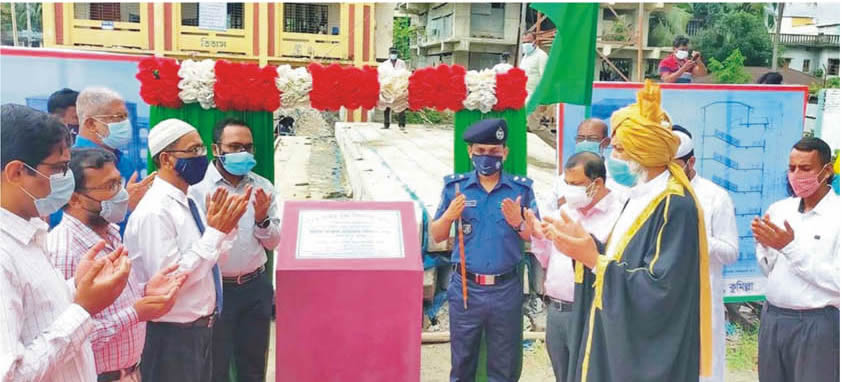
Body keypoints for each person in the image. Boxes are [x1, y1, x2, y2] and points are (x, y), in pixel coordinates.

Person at [539, 80, 714, 381]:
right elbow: (623, 259)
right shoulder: (640, 195)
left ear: (643, 152)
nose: (612, 156)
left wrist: (594, 260)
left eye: (619, 149)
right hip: (614, 329)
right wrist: (586, 244)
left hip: (642, 353)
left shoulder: (674, 205)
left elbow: (662, 288)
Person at [0, 104, 130, 380]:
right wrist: (83, 309)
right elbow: (11, 375)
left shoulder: (30, 234)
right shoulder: (4, 254)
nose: (65, 182)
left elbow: (38, 316)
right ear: (16, 173)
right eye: (59, 169)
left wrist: (76, 288)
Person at [124, 118, 251, 382]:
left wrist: (225, 232)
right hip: (172, 335)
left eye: (202, 149)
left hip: (199, 330)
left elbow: (209, 263)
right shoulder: (155, 211)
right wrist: (215, 233)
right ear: (168, 160)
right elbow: (170, 280)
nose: (202, 157)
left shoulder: (188, 198)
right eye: (193, 151)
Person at [48, 147, 187, 382]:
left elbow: (110, 305)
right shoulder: (63, 251)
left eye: (119, 183)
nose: (122, 194)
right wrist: (135, 313)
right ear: (74, 199)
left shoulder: (110, 234)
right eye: (110, 187)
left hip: (130, 372)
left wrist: (145, 291)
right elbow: (66, 339)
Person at [430, 118, 539, 381]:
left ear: (505, 152)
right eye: (480, 152)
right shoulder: (455, 188)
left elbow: (533, 235)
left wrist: (518, 222)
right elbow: (437, 235)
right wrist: (449, 216)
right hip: (467, 289)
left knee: (505, 362)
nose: (487, 158)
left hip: (506, 288)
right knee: (462, 360)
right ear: (470, 152)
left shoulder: (520, 189)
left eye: (494, 152)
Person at [189, 119, 281, 382]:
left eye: (248, 147)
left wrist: (262, 220)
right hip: (216, 289)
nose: (244, 153)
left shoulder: (262, 186)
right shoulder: (197, 189)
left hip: (255, 288)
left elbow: (274, 242)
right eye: (235, 146)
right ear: (216, 149)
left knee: (253, 364)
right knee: (215, 366)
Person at [529, 151, 624, 382]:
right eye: (567, 183)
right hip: (556, 310)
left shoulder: (619, 215)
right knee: (563, 375)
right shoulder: (564, 212)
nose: (570, 190)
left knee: (592, 374)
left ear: (597, 183)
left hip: (591, 310)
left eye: (576, 184)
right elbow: (546, 258)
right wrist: (537, 234)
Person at [752, 137, 839, 382]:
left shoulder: (838, 215)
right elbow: (770, 270)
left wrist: (789, 247)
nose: (797, 175)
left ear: (827, 170)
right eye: (792, 169)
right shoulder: (780, 209)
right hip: (773, 319)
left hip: (816, 323)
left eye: (805, 168)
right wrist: (765, 247)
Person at [672, 125, 739, 382]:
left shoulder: (715, 197)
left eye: (676, 166)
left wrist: (699, 236)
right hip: (663, 300)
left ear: (691, 162)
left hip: (702, 301)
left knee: (704, 371)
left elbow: (730, 252)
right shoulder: (655, 194)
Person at [53, 87, 155, 231]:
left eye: (126, 117)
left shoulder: (125, 162)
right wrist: (126, 208)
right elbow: (65, 224)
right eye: (118, 118)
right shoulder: (67, 166)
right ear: (91, 124)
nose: (126, 124)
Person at [379, 47, 408, 130]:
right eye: (392, 53)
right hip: (388, 86)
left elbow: (404, 73)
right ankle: (386, 124)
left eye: (395, 53)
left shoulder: (402, 63)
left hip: (399, 86)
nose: (393, 55)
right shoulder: (385, 64)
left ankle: (402, 125)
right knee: (387, 106)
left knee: (401, 105)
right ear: (389, 54)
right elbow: (382, 75)